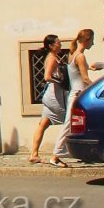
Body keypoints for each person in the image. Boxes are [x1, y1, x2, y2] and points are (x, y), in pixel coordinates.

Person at [51, 28, 104, 164]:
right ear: (86, 40)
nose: (92, 44)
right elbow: (85, 79)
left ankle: (82, 151)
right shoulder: (80, 56)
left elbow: (79, 71)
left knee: (79, 123)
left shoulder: (74, 54)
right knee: (69, 124)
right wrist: (99, 89)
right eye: (92, 40)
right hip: (78, 94)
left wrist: (92, 67)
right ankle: (56, 154)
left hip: (77, 93)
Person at [29, 33, 66, 162]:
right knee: (69, 121)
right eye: (58, 42)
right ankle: (58, 154)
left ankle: (34, 154)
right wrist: (61, 81)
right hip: (54, 95)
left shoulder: (54, 56)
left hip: (51, 94)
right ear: (51, 46)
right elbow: (47, 76)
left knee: (43, 123)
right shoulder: (51, 58)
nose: (60, 44)